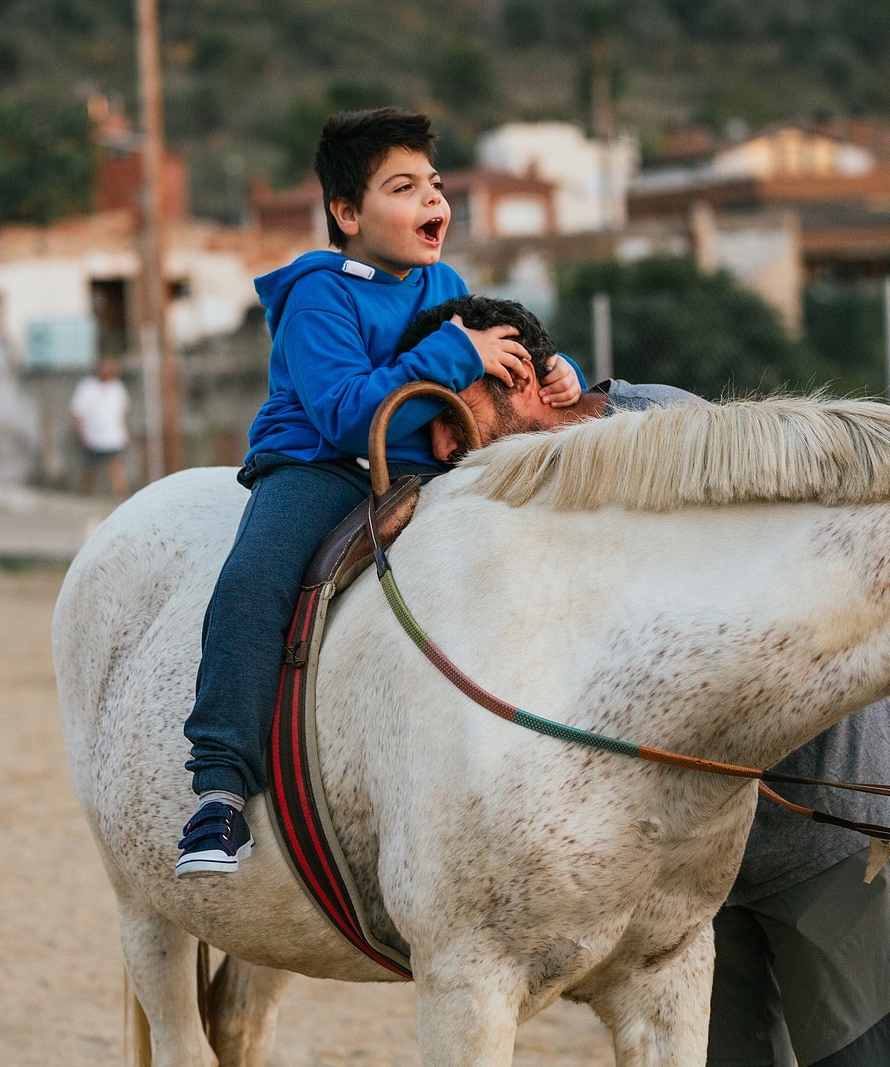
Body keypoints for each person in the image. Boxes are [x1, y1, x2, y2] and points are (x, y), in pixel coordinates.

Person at [417, 296, 890, 1065]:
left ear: (526, 377)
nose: (444, 442)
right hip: (692, 868)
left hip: (822, 827)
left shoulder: (661, 426)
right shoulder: (512, 509)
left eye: (457, 408)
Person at [175, 109, 584, 878]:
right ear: (347, 212)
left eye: (434, 184)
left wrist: (553, 368)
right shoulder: (319, 295)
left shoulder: (446, 282)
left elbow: (494, 352)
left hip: (426, 467)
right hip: (319, 468)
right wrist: (450, 347)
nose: (433, 201)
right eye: (404, 188)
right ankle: (220, 790)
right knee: (255, 579)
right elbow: (341, 411)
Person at [70, 356, 130, 496]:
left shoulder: (117, 388)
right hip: (93, 436)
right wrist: (81, 433)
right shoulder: (87, 387)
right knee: (89, 468)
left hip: (113, 436)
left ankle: (120, 495)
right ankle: (84, 495)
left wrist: (124, 432)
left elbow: (122, 412)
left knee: (116, 466)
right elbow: (77, 412)